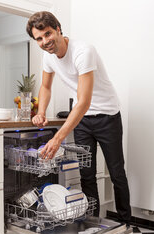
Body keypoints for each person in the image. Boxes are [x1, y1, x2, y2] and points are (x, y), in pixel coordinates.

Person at [26, 11, 131, 223]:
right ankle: (92, 223)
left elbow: (83, 102)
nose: (45, 41)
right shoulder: (48, 57)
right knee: (87, 174)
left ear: (58, 29)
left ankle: (125, 223)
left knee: (116, 173)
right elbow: (46, 87)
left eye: (48, 34)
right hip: (82, 121)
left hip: (107, 116)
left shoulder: (83, 51)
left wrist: (57, 139)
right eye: (39, 38)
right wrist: (41, 112)